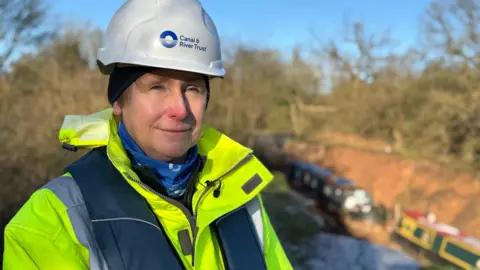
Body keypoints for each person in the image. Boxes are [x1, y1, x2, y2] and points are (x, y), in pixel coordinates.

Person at [2, 0, 292, 269]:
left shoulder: (242, 198)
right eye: (156, 87)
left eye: (192, 88)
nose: (179, 109)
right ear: (118, 101)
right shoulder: (52, 218)